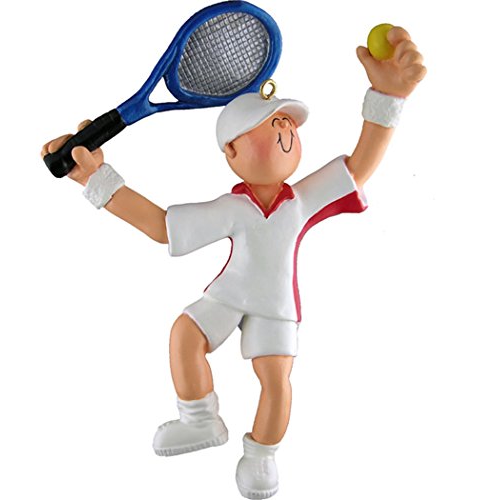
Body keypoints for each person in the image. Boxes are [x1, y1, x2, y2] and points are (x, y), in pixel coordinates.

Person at [42, 27, 425, 500]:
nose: (286, 131)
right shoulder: (230, 208)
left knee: (275, 383)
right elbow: (161, 225)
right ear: (232, 150)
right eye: (273, 125)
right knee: (185, 334)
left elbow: (359, 166)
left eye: (288, 125)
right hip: (228, 295)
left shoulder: (304, 200)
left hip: (276, 306)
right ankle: (199, 419)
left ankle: (262, 455)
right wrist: (96, 177)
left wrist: (388, 97)